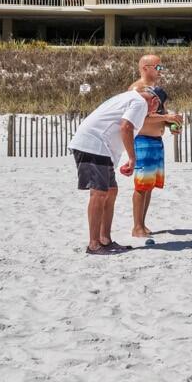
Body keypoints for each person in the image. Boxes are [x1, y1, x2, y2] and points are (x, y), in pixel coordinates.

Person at [68, 81, 152, 255]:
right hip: (92, 145)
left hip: (100, 147)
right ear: (155, 101)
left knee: (111, 190)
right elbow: (125, 126)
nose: (152, 112)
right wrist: (132, 158)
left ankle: (105, 240)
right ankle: (94, 244)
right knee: (98, 193)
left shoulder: (129, 98)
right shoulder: (141, 102)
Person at [129, 53, 184, 239]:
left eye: (162, 67)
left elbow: (161, 114)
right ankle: (137, 227)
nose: (161, 71)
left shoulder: (157, 90)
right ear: (145, 68)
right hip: (143, 140)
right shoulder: (136, 90)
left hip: (156, 141)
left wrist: (171, 125)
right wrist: (166, 118)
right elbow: (139, 117)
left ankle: (142, 224)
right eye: (158, 67)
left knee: (149, 185)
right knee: (141, 185)